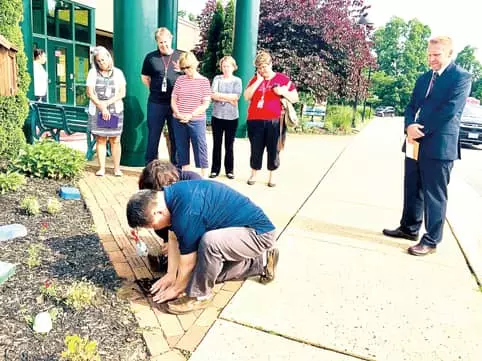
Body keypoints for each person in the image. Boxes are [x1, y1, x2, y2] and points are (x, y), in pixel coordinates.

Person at [126, 180, 279, 314]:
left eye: (152, 225)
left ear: (157, 212)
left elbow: (188, 262)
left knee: (209, 244)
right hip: (237, 233)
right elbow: (173, 237)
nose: (154, 229)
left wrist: (177, 288)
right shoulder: (172, 196)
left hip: (258, 234)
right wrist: (171, 274)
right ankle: (262, 261)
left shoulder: (186, 212)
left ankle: (199, 296)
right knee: (203, 273)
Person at [383, 36, 472, 256]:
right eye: (429, 54)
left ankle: (431, 240)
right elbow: (412, 105)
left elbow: (450, 111)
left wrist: (419, 129)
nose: (431, 59)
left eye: (436, 55)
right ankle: (409, 228)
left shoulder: (461, 78)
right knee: (412, 187)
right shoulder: (423, 78)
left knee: (434, 194)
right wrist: (408, 126)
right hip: (414, 142)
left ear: (450, 54)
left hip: (439, 145)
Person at [243, 51, 298, 187]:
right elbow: (246, 96)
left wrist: (282, 92)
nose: (262, 70)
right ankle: (254, 173)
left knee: (274, 148)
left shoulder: (282, 79)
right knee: (256, 148)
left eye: (264, 67)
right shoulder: (255, 79)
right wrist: (259, 82)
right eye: (259, 68)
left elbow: (295, 98)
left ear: (271, 64)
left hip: (275, 119)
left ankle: (272, 175)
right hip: (255, 119)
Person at [136, 159, 202, 272]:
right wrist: (138, 225)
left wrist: (177, 244)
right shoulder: (151, 183)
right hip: (177, 221)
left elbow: (194, 221)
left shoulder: (193, 182)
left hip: (197, 224)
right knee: (156, 219)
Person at [141, 27, 182, 166]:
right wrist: (155, 89)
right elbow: (145, 78)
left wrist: (181, 70)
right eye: (160, 43)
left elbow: (190, 75)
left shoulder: (181, 56)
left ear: (171, 39)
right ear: (157, 43)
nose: (163, 45)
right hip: (156, 103)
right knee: (153, 135)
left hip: (175, 104)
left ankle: (176, 166)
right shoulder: (151, 57)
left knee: (175, 135)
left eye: (165, 42)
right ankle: (150, 165)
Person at [86, 46, 126, 177]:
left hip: (115, 109)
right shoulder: (92, 73)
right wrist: (102, 107)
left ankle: (116, 168)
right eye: (98, 61)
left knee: (115, 139)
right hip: (98, 109)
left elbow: (122, 92)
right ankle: (102, 168)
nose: (102, 63)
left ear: (109, 57)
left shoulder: (118, 73)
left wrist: (107, 104)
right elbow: (90, 92)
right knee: (101, 139)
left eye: (103, 59)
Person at [171, 52, 211, 177]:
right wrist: (177, 112)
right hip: (179, 119)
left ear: (195, 64)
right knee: (181, 147)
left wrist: (191, 115)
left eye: (188, 67)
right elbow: (173, 99)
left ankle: (203, 176)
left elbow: (205, 104)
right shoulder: (180, 80)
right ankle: (185, 175)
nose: (186, 71)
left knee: (200, 147)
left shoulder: (204, 81)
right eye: (183, 68)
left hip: (196, 120)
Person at [209, 56, 242, 179]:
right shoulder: (217, 78)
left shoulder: (237, 80)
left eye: (228, 66)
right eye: (224, 66)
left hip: (232, 117)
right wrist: (228, 98)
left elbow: (236, 97)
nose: (226, 68)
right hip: (217, 116)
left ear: (233, 67)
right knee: (216, 144)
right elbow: (213, 94)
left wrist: (221, 96)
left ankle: (229, 170)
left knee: (229, 145)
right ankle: (215, 169)